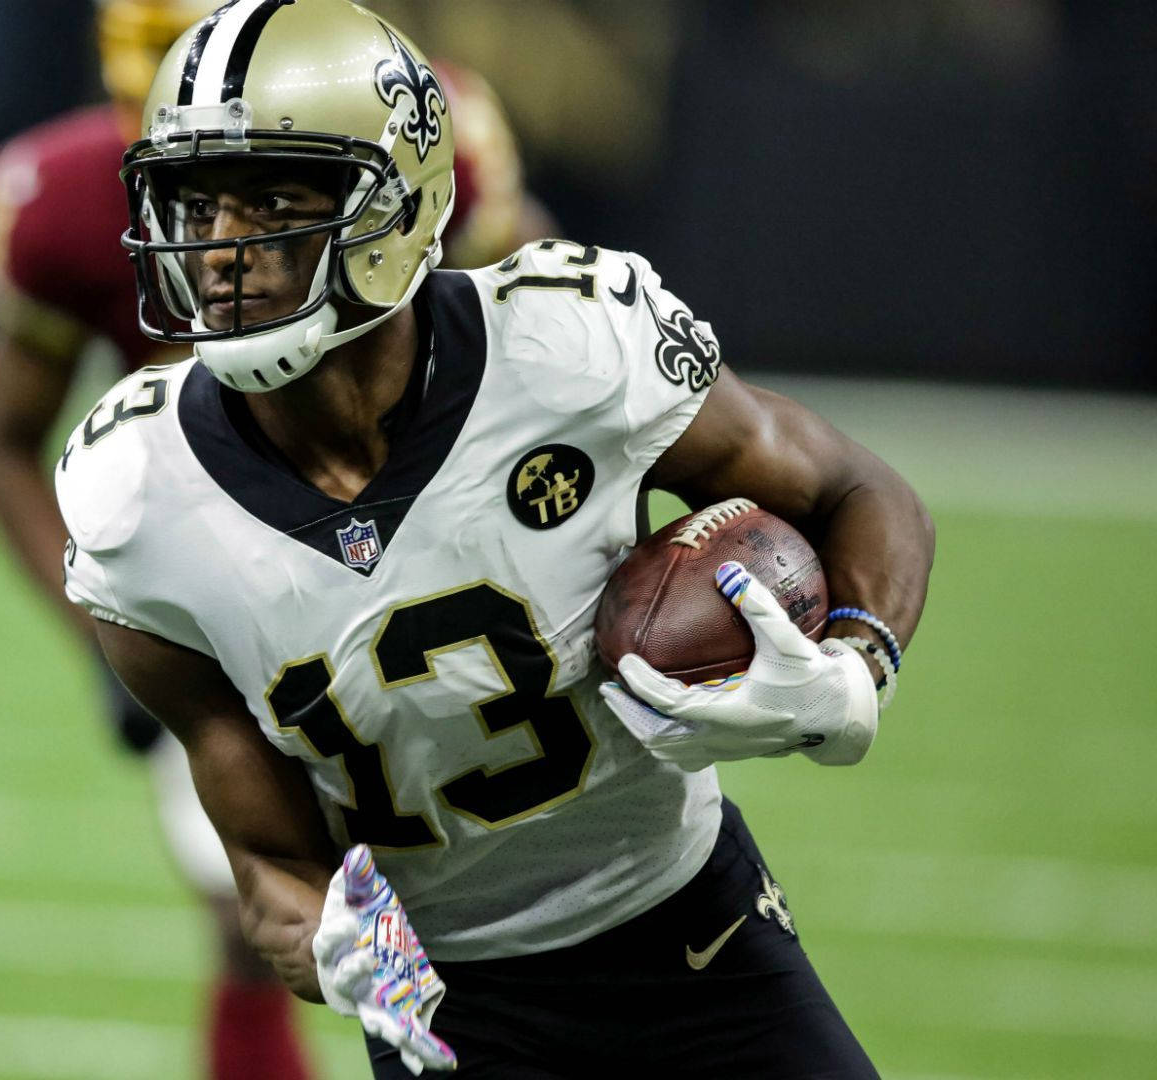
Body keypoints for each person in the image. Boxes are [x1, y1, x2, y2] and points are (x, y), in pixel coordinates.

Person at [56, 1, 934, 1076]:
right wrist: (342, 952)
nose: (223, 251)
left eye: (273, 202)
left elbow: (854, 485)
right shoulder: (136, 502)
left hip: (691, 931)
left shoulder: (569, 342)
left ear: (397, 205)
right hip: (452, 1007)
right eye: (196, 208)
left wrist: (855, 668)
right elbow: (274, 864)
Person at [0, 2, 550, 1076]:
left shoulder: (419, 132)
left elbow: (544, 322)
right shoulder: (62, 204)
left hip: (441, 521)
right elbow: (3, 443)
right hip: (232, 550)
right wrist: (100, 632)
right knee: (265, 915)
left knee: (518, 877)